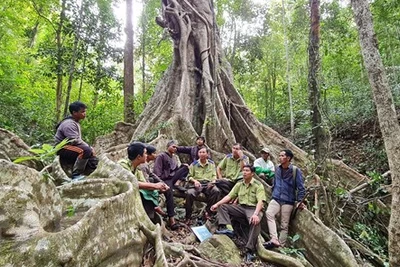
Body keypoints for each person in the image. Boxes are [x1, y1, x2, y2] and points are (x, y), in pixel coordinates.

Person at [211, 165, 266, 263]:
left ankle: (249, 250)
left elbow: (260, 201)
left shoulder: (258, 185)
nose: (244, 172)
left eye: (247, 171)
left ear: (252, 174)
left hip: (253, 208)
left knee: (254, 222)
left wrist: (256, 214)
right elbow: (229, 196)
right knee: (223, 206)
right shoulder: (239, 184)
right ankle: (227, 229)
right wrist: (217, 204)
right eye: (243, 170)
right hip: (241, 207)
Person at [120, 142, 182, 228]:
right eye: (145, 153)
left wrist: (160, 185)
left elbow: (144, 180)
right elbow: (130, 182)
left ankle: (162, 219)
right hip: (123, 195)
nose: (147, 155)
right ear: (138, 157)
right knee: (144, 196)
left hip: (144, 187)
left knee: (159, 192)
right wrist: (155, 186)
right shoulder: (123, 165)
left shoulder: (137, 168)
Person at [264, 149, 306, 249]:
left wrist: (300, 201)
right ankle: (274, 238)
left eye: (282, 156)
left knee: (284, 225)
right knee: (269, 213)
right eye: (279, 155)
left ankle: (281, 247)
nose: (280, 157)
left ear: (288, 158)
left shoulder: (295, 171)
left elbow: (301, 187)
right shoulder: (277, 168)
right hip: (276, 198)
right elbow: (274, 181)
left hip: (288, 201)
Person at [54, 101, 98, 180]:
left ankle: (90, 173)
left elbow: (78, 140)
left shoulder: (75, 122)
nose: (84, 113)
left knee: (92, 157)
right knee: (85, 150)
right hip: (62, 148)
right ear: (74, 112)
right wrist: (90, 147)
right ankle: (76, 174)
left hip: (71, 146)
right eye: (82, 112)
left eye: (85, 111)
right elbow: (74, 140)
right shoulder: (69, 124)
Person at [138, 145, 179, 228]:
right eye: (154, 153)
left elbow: (152, 175)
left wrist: (162, 183)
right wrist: (156, 186)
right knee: (168, 192)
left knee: (168, 190)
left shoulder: (146, 164)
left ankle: (170, 217)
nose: (155, 155)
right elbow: (147, 180)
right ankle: (164, 213)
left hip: (155, 184)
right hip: (146, 188)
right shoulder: (142, 165)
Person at [185, 147, 220, 225]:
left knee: (216, 191)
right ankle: (188, 217)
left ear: (207, 154)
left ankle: (208, 212)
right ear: (198, 154)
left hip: (208, 184)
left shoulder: (211, 164)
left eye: (203, 152)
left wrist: (213, 182)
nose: (201, 154)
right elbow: (189, 176)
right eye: (200, 152)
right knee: (189, 193)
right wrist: (195, 181)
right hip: (198, 184)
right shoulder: (194, 164)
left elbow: (214, 176)